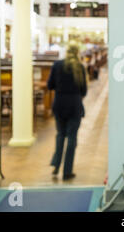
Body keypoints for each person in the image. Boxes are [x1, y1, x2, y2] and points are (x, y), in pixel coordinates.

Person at [47, 43, 87, 180]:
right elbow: (84, 91)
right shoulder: (80, 67)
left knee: (60, 135)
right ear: (77, 53)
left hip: (59, 104)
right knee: (71, 138)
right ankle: (67, 171)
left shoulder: (57, 65)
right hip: (74, 106)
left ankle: (56, 165)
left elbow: (49, 85)